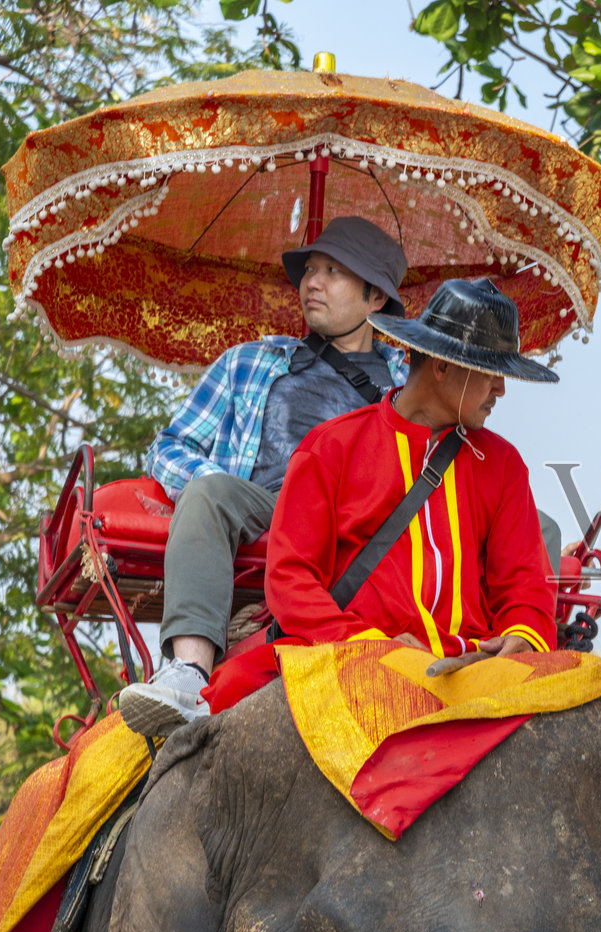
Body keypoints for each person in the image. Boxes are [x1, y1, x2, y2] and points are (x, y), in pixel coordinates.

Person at [119, 216, 411, 735]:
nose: (312, 283)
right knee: (209, 492)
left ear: (376, 300)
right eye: (310, 270)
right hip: (274, 507)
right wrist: (215, 481)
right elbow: (170, 446)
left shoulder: (411, 383)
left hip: (375, 527)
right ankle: (187, 672)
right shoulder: (249, 362)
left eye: (334, 272)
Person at [264, 277, 557, 658]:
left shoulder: (504, 466)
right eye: (490, 372)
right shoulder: (331, 447)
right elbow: (290, 579)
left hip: (469, 664)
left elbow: (526, 585)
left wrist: (524, 634)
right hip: (353, 657)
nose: (501, 389)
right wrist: (369, 644)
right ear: (441, 367)